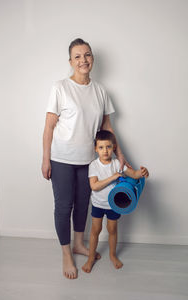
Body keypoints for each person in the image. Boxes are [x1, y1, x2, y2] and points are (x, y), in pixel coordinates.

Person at [42, 38, 128, 279]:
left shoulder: (100, 90)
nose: (83, 60)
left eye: (87, 55)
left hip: (88, 160)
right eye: (77, 56)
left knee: (83, 204)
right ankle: (66, 253)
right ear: (70, 61)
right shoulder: (60, 87)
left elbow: (107, 126)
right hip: (61, 158)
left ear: (93, 59)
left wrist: (120, 153)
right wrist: (45, 159)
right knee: (64, 206)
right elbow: (49, 127)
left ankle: (79, 243)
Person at [82, 130, 149, 273]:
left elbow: (134, 174)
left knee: (112, 230)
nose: (105, 151)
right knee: (95, 230)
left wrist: (142, 172)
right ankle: (91, 257)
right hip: (98, 205)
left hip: (113, 205)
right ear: (95, 148)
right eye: (101, 147)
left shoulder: (118, 163)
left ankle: (112, 255)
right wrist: (113, 177)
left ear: (113, 147)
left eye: (108, 147)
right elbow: (94, 186)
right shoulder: (93, 165)